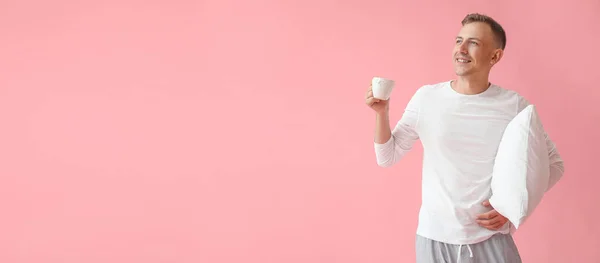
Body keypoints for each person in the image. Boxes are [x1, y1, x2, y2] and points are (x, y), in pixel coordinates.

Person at [364, 13, 564, 263]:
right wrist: (381, 113)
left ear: (495, 56)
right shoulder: (427, 98)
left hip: (491, 240)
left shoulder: (514, 106)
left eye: (474, 43)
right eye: (459, 40)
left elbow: (554, 164)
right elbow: (387, 156)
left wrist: (513, 209)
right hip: (433, 239)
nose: (461, 49)